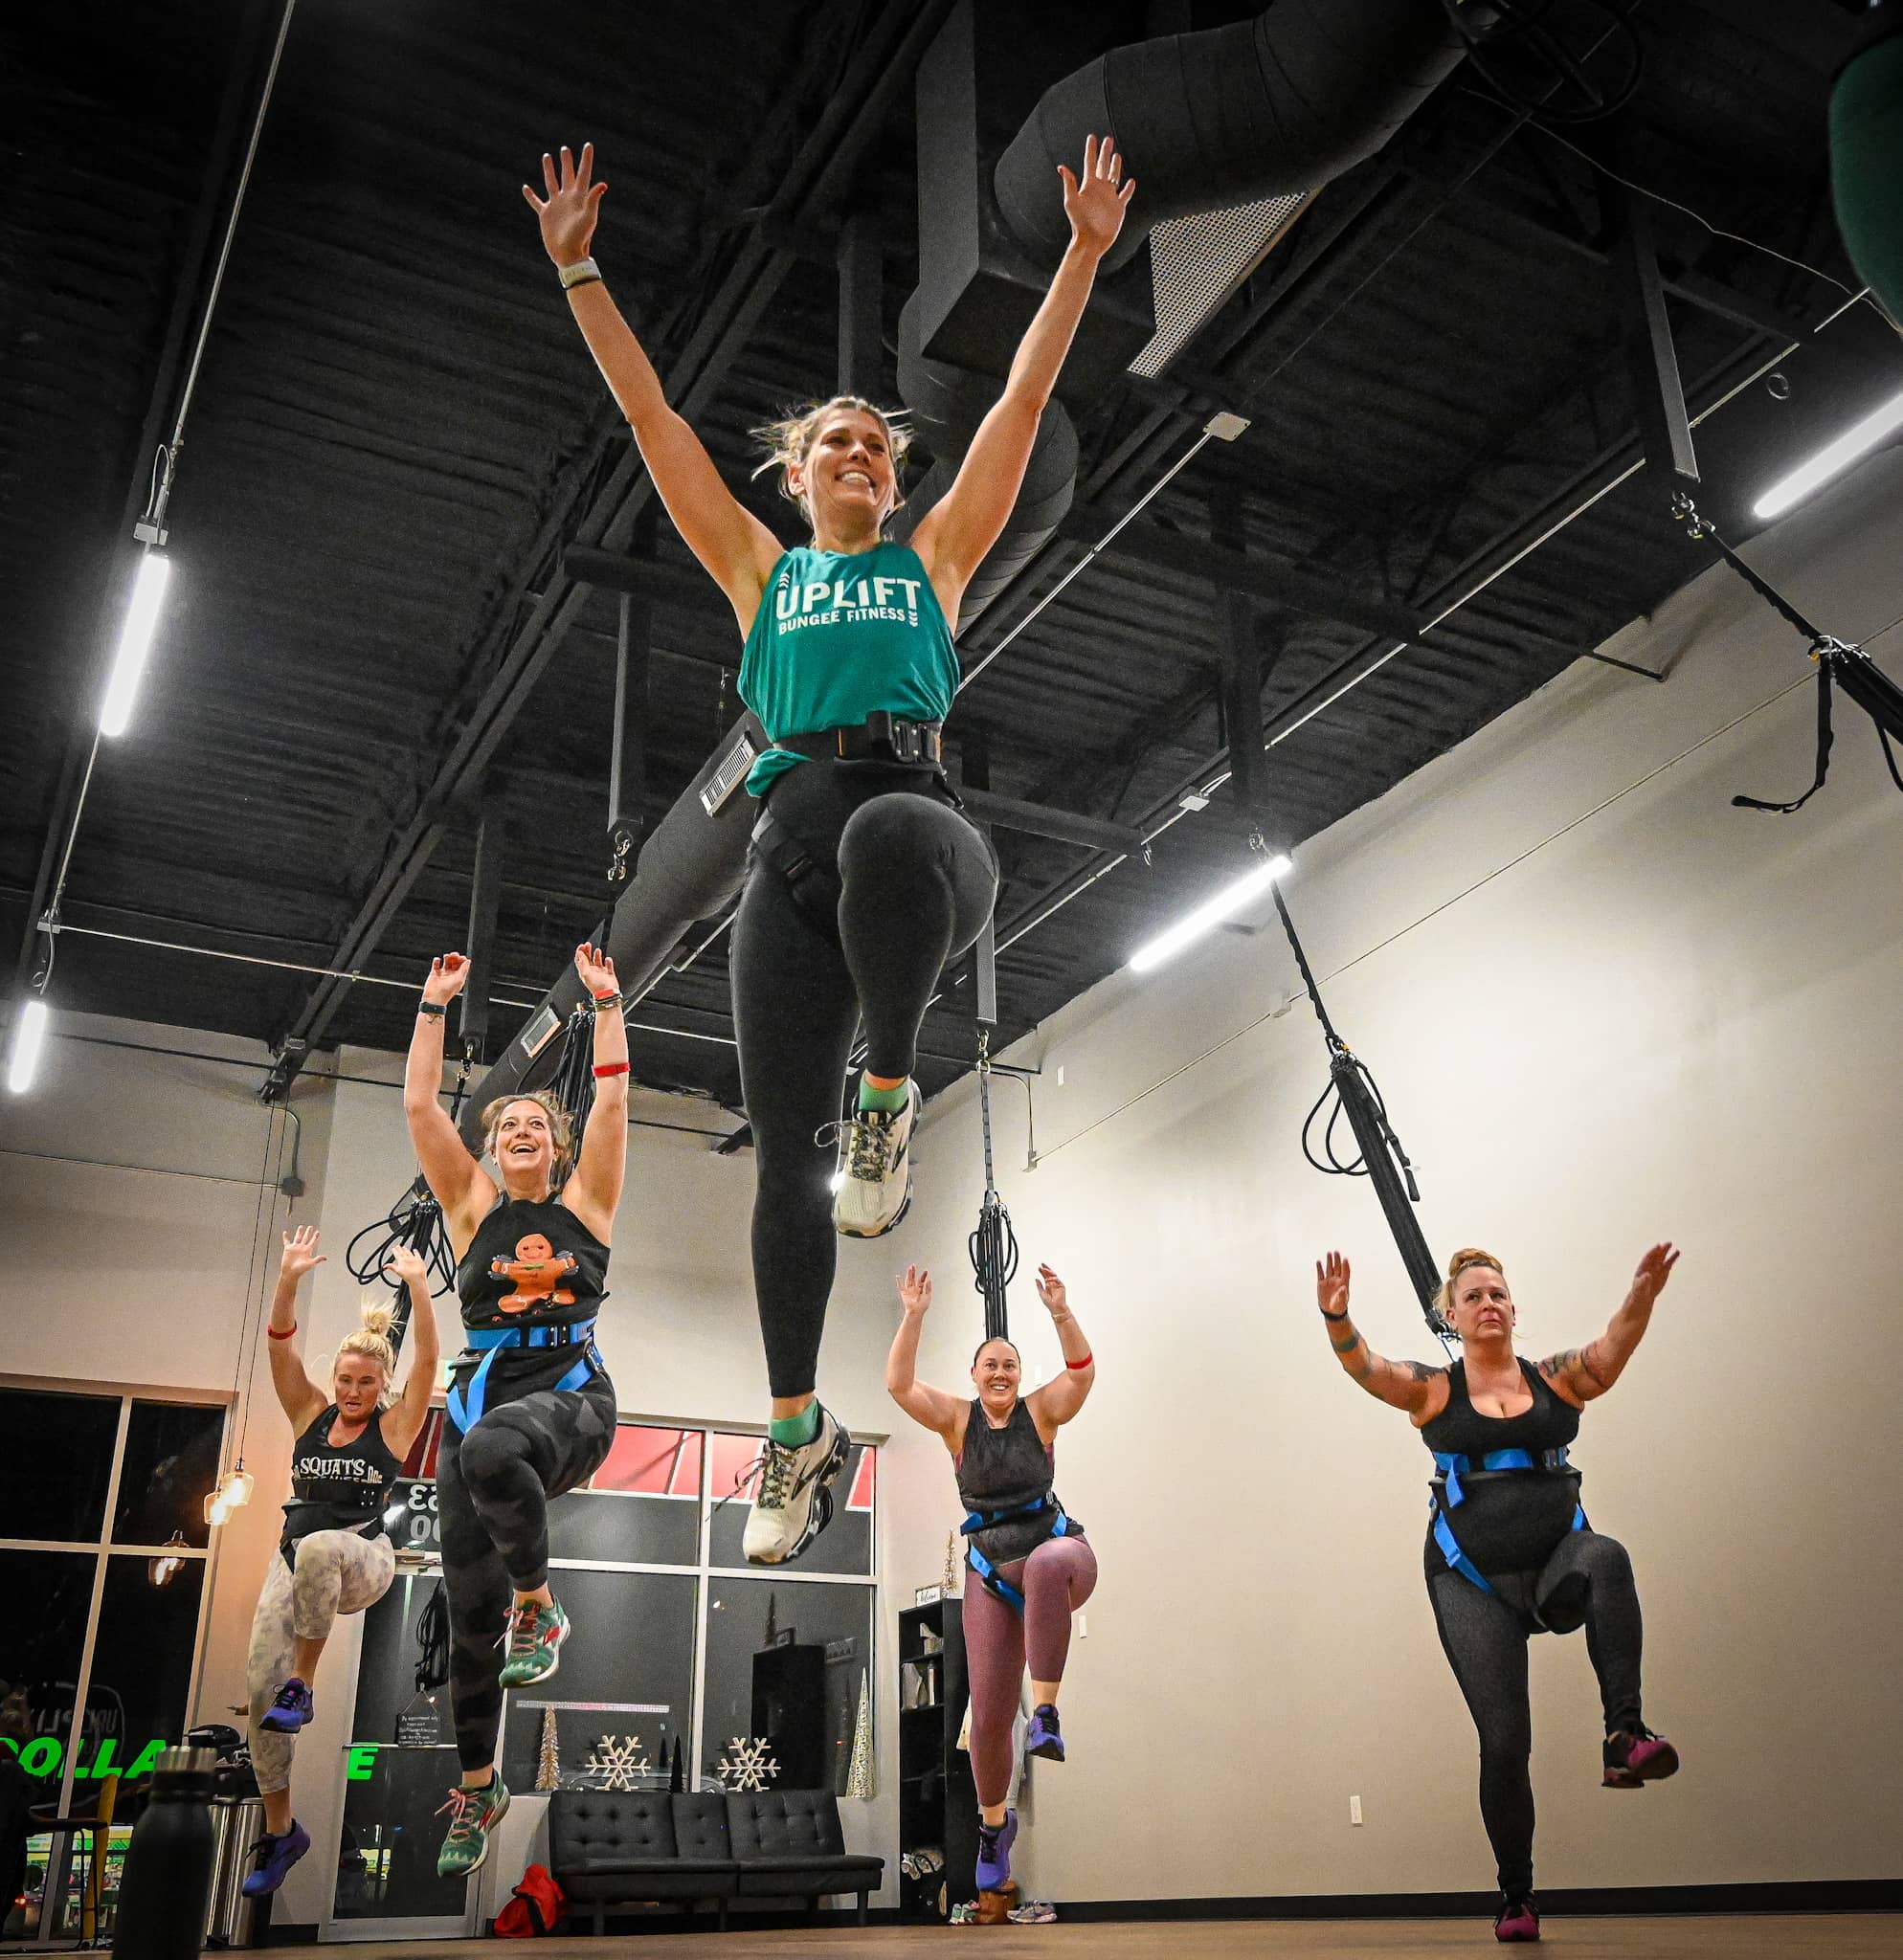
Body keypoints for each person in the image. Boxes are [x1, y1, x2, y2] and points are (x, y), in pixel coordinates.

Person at [524, 134, 1133, 1565]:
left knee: (895, 828)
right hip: (785, 878)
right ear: (799, 479)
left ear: (893, 474)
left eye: (876, 444)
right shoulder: (761, 574)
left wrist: (1086, 255)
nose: (859, 454)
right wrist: (579, 270)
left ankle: (889, 1090)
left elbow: (1023, 398)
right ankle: (797, 1434)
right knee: (779, 1174)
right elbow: (656, 422)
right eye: (832, 446)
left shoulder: (936, 561)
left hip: (922, 860)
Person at [1314, 1243, 1683, 1944]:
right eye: (1474, 1296)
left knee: (1606, 1556)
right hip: (1469, 1580)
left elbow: (1612, 1347)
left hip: (1554, 1568)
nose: (1488, 1304)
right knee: (1507, 1743)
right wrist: (1337, 1317)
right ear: (1452, 1316)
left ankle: (1624, 1734)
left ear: (1515, 1310)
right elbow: (1368, 1368)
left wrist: (1641, 1295)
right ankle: (1517, 1894)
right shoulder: (1434, 1390)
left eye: (1498, 1295)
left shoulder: (1557, 1382)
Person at [404, 942, 630, 1879]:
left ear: (558, 1144)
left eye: (538, 1119)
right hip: (475, 1404)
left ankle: (542, 1607)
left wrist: (608, 1004)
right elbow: (421, 1107)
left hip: (570, 1398)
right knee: (465, 1611)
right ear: (491, 1148)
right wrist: (431, 1007)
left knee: (495, 1448)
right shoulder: (467, 1206)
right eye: (508, 1125)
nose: (522, 1129)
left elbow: (612, 1100)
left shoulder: (587, 1202)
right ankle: (478, 1781)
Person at [885, 1260, 1096, 1898]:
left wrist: (1061, 1311)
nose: (1000, 1373)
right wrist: (914, 1316)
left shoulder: (1043, 1413)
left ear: (1020, 1375)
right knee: (987, 1717)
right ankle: (992, 1829)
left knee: (1046, 1562)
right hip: (989, 1578)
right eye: (989, 1366)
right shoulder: (957, 1421)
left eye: (1009, 1364)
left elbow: (1083, 1372)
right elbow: (898, 1386)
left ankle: (1050, 1714)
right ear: (975, 1377)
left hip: (1061, 1558)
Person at [240, 1226, 440, 1898]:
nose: (352, 1390)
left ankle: (306, 1682)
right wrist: (289, 1276)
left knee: (324, 1547)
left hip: (365, 1558)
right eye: (345, 1380)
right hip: (296, 1562)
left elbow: (428, 1363)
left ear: (381, 1384)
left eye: (365, 1382)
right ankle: (281, 1830)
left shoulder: (394, 1426)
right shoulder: (309, 1414)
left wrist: (419, 1287)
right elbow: (279, 1346)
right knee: (258, 1689)